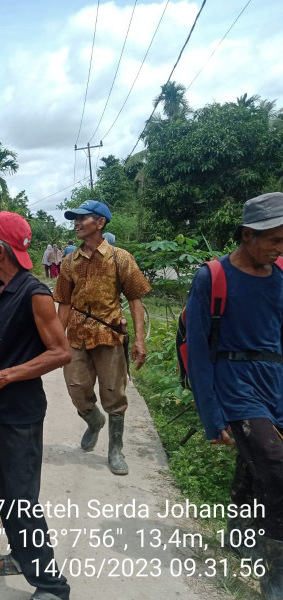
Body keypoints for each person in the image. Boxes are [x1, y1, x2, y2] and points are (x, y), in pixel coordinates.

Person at [0, 211, 71, 600]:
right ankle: (19, 555)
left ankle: (52, 586)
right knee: (3, 489)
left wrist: (7, 377)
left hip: (23, 415)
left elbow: (61, 353)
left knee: (23, 501)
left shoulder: (35, 294)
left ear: (1, 250)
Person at [186, 192, 283, 600]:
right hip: (235, 381)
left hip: (275, 380)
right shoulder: (212, 277)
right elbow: (197, 350)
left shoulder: (281, 276)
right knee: (277, 466)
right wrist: (213, 415)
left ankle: (239, 530)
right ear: (248, 235)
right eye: (274, 240)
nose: (280, 249)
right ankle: (275, 570)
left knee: (257, 458)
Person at [53, 200, 151, 475]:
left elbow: (135, 299)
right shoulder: (69, 262)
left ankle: (115, 449)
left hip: (109, 336)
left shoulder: (121, 258)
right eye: (75, 219)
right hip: (76, 337)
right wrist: (56, 341)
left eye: (82, 218)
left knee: (113, 393)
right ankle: (94, 421)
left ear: (100, 222)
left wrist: (140, 341)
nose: (77, 223)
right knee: (75, 387)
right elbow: (63, 303)